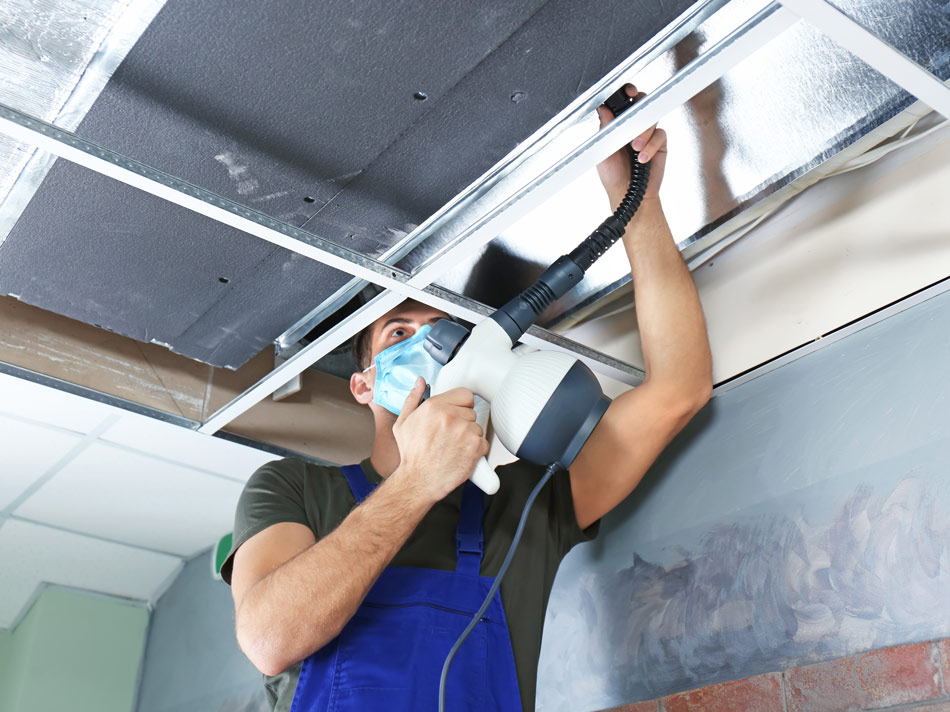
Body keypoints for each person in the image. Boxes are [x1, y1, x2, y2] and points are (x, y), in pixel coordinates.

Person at [221, 84, 712, 712]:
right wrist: (415, 483)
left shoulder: (528, 503)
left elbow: (679, 389)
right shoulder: (292, 490)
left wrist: (634, 199)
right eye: (399, 334)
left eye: (443, 330)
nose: (428, 345)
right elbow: (269, 639)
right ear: (363, 382)